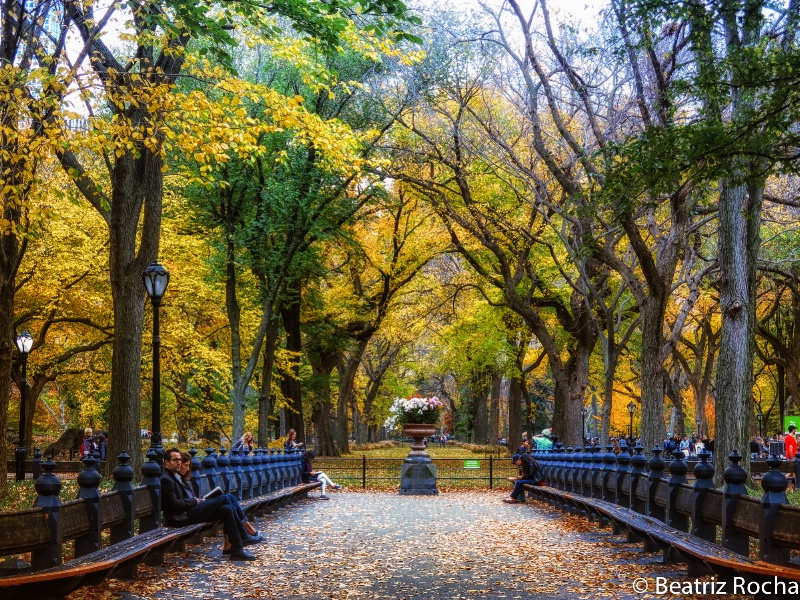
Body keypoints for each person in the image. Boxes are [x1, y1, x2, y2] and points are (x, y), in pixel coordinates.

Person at [160, 448, 260, 561]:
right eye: (175, 460)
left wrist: (196, 500)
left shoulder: (174, 476)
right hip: (181, 516)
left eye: (179, 459)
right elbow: (172, 505)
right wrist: (194, 501)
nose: (178, 462)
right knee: (225, 498)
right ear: (167, 462)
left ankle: (237, 550)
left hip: (189, 511)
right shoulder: (166, 479)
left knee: (227, 509)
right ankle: (244, 535)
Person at [178, 452, 261, 540]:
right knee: (226, 498)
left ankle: (230, 544)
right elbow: (177, 503)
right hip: (190, 513)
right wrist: (195, 501)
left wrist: (199, 500)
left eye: (188, 466)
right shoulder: (175, 480)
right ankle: (246, 531)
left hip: (195, 507)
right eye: (185, 465)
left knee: (227, 506)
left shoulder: (182, 480)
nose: (187, 469)